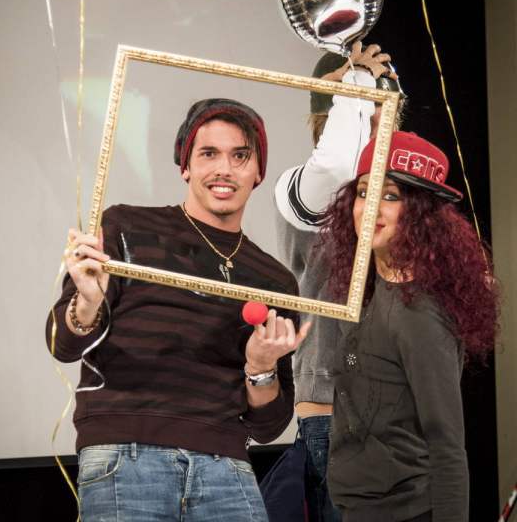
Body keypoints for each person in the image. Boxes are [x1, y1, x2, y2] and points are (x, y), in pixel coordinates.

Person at [46, 98, 311, 522]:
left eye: (240, 156)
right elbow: (62, 345)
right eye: (208, 154)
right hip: (125, 457)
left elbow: (268, 427)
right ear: (185, 166)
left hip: (226, 467)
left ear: (258, 172)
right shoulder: (124, 228)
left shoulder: (274, 280)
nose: (224, 169)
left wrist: (260, 368)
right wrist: (88, 303)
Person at [316, 131, 499, 521]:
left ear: (419, 214)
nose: (371, 208)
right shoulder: (367, 291)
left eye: (390, 196)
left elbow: (447, 444)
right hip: (358, 507)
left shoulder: (420, 316)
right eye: (364, 192)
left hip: (408, 511)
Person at [274, 42, 398, 521]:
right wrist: (356, 86)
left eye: (387, 116)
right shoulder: (303, 187)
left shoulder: (393, 200)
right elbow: (335, 165)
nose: (381, 129)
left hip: (399, 411)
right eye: (368, 114)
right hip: (333, 410)